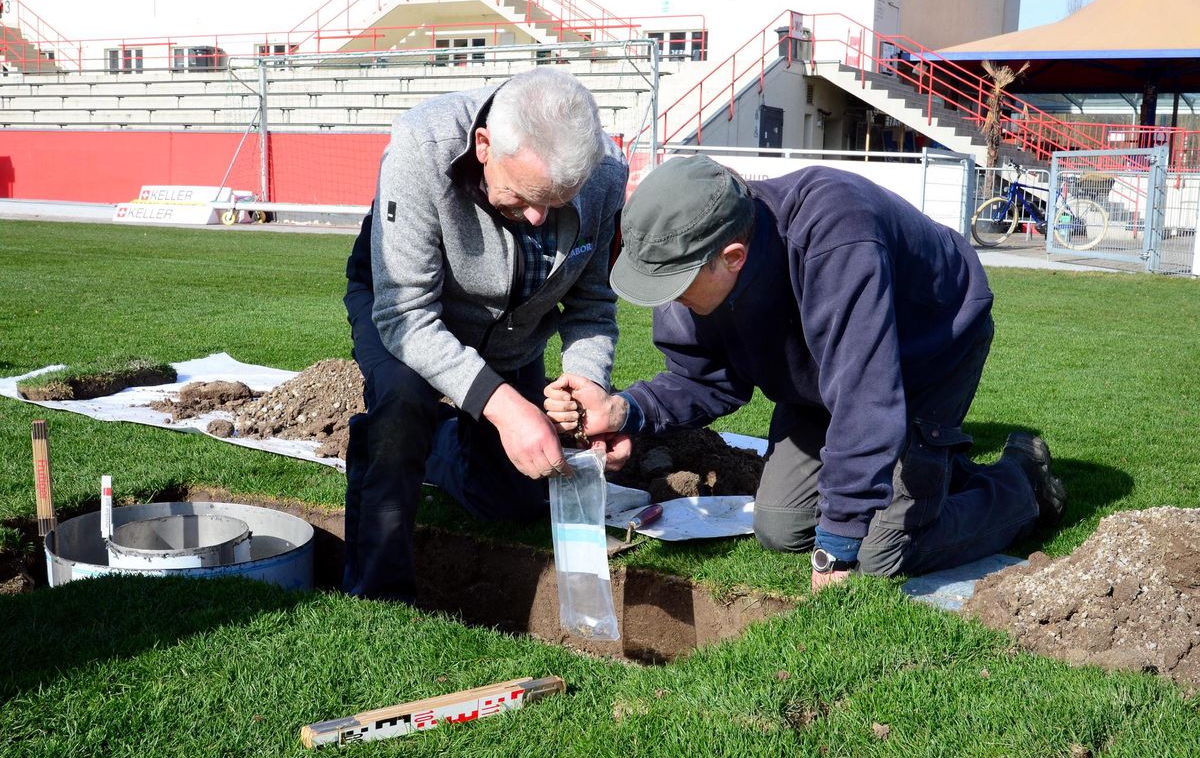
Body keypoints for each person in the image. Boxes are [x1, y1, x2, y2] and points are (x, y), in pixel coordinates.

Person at [545, 155, 1066, 592]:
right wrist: (624, 410)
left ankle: (1022, 484)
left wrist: (836, 551)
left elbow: (865, 401)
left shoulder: (836, 234)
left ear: (732, 257)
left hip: (928, 348)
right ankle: (932, 475)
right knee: (782, 525)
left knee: (879, 553)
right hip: (821, 376)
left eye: (677, 287)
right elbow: (703, 377)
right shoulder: (689, 257)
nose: (670, 302)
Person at [343, 67, 628, 601]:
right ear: (483, 145)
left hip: (515, 326)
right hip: (410, 307)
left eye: (557, 202)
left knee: (512, 499)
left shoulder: (606, 171)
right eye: (522, 197)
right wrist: (503, 406)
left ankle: (438, 444)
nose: (540, 217)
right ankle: (379, 590)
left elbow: (591, 304)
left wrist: (587, 380)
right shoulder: (420, 146)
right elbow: (404, 312)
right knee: (402, 407)